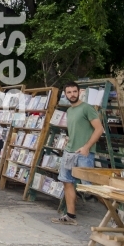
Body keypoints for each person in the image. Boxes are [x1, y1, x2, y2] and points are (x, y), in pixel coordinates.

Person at [51, 82, 103, 225]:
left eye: (74, 91)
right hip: (69, 152)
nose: (72, 94)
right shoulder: (69, 110)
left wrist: (86, 147)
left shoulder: (87, 108)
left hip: (84, 153)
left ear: (79, 92)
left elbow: (99, 129)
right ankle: (70, 217)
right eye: (69, 92)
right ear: (65, 94)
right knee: (67, 182)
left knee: (91, 188)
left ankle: (116, 214)